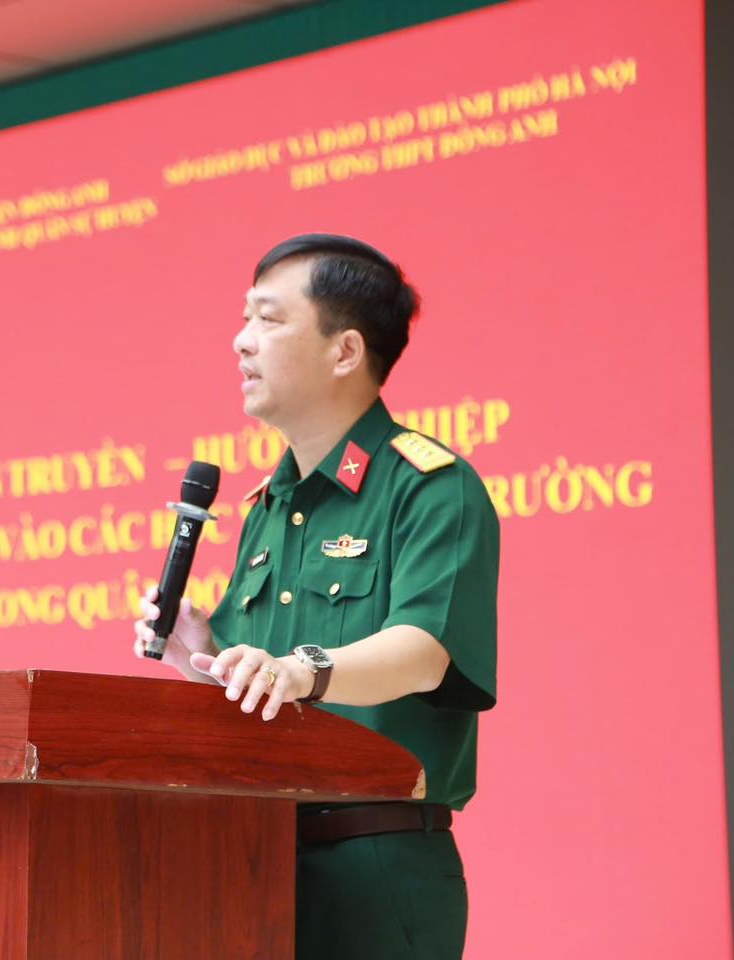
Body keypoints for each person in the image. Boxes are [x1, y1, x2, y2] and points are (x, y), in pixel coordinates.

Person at [133, 234, 499, 960]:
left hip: (375, 865)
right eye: (244, 318)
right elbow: (258, 689)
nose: (241, 341)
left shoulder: (430, 486)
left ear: (345, 351)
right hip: (253, 859)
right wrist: (201, 654)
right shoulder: (268, 506)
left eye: (268, 319)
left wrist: (303, 669)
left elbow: (423, 651)